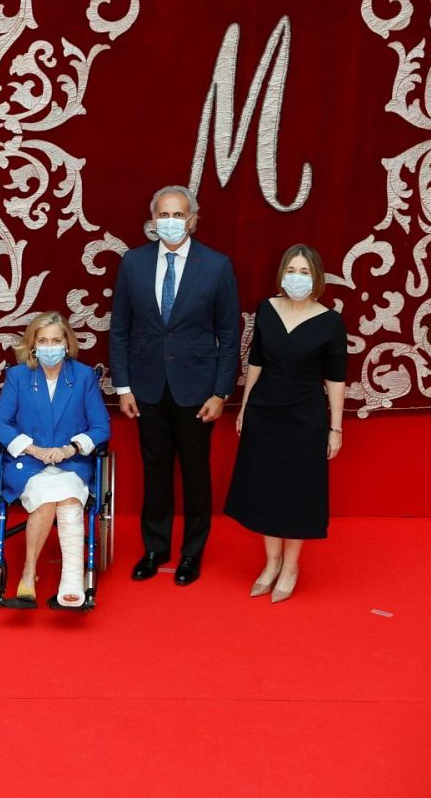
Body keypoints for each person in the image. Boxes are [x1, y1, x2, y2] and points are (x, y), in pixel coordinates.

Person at [109, 184, 240, 586]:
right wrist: (123, 387)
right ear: (152, 221)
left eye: (178, 215)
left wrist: (220, 392)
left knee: (196, 474)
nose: (170, 222)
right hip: (146, 388)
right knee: (155, 472)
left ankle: (192, 553)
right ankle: (155, 548)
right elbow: (120, 329)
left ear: (193, 220)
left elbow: (229, 335)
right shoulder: (133, 263)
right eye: (163, 215)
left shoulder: (216, 266)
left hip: (197, 390)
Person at [225, 245, 346, 603]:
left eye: (304, 272)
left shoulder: (330, 322)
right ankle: (271, 562)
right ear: (282, 275)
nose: (297, 278)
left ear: (317, 278)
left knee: (297, 493)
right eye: (291, 270)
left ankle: (290, 566)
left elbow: (335, 379)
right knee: (265, 488)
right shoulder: (267, 309)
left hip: (305, 418)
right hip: (264, 412)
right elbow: (256, 361)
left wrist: (335, 428)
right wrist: (245, 408)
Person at [0, 312, 112, 608]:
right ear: (33, 345)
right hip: (30, 465)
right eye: (43, 341)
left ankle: (71, 580)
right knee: (46, 499)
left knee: (68, 496)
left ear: (67, 344)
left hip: (71, 464)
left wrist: (71, 448)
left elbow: (101, 427)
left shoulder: (83, 376)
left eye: (56, 340)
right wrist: (33, 449)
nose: (49, 347)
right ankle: (29, 573)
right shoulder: (18, 377)